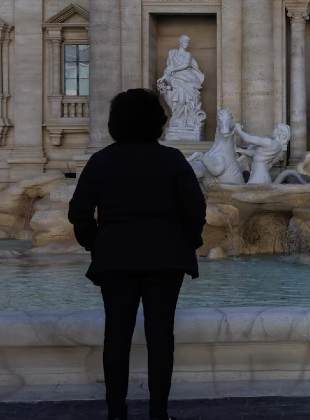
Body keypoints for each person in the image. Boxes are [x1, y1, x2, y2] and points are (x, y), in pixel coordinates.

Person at [68, 89, 207, 420]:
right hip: (166, 258)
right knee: (161, 337)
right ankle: (158, 413)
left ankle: (117, 412)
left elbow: (79, 212)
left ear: (115, 122)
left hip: (116, 257)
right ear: (158, 122)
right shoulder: (172, 159)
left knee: (116, 335)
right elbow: (196, 208)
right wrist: (187, 242)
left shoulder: (101, 160)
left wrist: (95, 244)